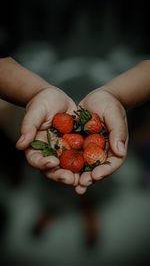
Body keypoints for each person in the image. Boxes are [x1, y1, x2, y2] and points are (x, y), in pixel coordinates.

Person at [0, 57, 150, 194]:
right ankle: (53, 206)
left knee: (93, 179)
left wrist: (115, 96)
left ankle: (87, 205)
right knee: (53, 173)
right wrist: (36, 92)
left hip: (114, 78)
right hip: (48, 75)